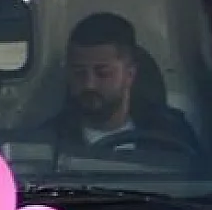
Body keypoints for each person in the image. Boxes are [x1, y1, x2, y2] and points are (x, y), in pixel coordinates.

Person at [53, 12, 200, 155]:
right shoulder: (45, 143)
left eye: (103, 73)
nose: (89, 84)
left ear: (130, 74)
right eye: (79, 73)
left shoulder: (173, 135)